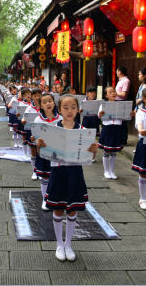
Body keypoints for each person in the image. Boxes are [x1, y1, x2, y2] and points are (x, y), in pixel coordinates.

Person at [37, 94, 98, 261]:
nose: (69, 111)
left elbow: (90, 159)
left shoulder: (83, 131)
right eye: (65, 107)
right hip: (57, 173)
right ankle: (59, 244)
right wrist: (39, 146)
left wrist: (93, 151)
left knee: (72, 210)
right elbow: (43, 155)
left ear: (78, 109)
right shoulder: (51, 129)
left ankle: (68, 245)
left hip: (75, 174)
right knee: (58, 208)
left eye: (73, 107)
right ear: (59, 109)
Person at [31, 93, 62, 211]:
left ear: (54, 103)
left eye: (50, 101)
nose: (48, 104)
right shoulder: (38, 119)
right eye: (44, 102)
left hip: (57, 152)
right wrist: (34, 140)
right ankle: (45, 199)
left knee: (56, 176)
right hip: (44, 152)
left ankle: (56, 198)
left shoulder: (60, 118)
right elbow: (34, 138)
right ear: (41, 105)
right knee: (45, 177)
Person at [99, 87, 133, 179]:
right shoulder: (103, 105)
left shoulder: (121, 105)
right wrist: (100, 114)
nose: (113, 93)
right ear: (106, 95)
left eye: (114, 91)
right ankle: (106, 171)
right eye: (110, 92)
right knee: (107, 151)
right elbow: (100, 115)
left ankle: (112, 171)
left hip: (117, 128)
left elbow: (125, 115)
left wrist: (130, 114)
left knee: (114, 152)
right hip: (108, 128)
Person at [21, 87, 41, 179]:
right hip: (32, 131)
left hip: (43, 131)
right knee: (33, 152)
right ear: (32, 97)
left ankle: (41, 171)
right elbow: (24, 117)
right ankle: (34, 171)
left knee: (42, 152)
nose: (37, 97)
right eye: (35, 95)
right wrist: (23, 120)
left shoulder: (44, 106)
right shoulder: (29, 107)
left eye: (39, 95)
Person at [80, 86, 100, 163]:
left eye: (94, 92)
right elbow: (80, 112)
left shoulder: (98, 102)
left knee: (92, 138)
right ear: (87, 93)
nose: (93, 94)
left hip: (94, 120)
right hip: (86, 120)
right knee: (85, 137)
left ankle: (92, 155)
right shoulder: (84, 101)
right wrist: (80, 111)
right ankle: (84, 154)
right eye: (91, 93)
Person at [115, 66, 130, 145]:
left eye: (117, 71)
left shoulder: (126, 81)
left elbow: (124, 94)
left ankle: (123, 140)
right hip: (117, 102)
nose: (116, 73)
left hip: (122, 102)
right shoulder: (120, 81)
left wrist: (114, 93)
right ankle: (119, 138)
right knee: (118, 122)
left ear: (119, 72)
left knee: (123, 122)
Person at [15, 88, 31, 155]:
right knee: (24, 138)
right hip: (24, 123)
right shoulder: (22, 103)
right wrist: (18, 114)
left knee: (30, 139)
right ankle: (25, 154)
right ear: (23, 96)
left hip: (32, 123)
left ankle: (30, 154)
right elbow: (18, 113)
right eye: (25, 94)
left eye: (28, 93)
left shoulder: (35, 103)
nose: (27, 95)